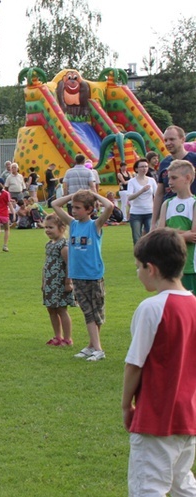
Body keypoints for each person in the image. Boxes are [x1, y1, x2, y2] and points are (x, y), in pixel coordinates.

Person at [123, 229, 196, 496]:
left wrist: (125, 405)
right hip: (187, 416)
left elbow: (134, 364)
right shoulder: (194, 305)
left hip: (156, 416)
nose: (137, 272)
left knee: (148, 487)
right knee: (181, 482)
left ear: (150, 268)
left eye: (138, 267)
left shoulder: (152, 308)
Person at [51, 189, 114, 361]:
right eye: (73, 207)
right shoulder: (73, 224)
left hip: (93, 275)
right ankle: (93, 347)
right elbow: (55, 204)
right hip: (77, 275)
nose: (74, 210)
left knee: (96, 313)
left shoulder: (95, 225)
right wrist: (72, 196)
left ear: (89, 210)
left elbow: (109, 206)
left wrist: (93, 194)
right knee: (88, 312)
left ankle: (96, 348)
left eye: (78, 207)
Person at [156, 159, 196, 293]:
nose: (170, 182)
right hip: (169, 265)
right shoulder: (167, 204)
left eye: (174, 178)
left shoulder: (194, 203)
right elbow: (160, 234)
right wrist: (185, 235)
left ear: (187, 178)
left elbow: (194, 235)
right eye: (168, 178)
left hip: (190, 266)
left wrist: (168, 232)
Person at [42, 214, 75, 347]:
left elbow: (69, 265)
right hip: (50, 282)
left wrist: (68, 282)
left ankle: (67, 338)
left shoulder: (64, 245)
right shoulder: (49, 244)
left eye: (51, 227)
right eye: (46, 227)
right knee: (51, 309)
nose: (48, 230)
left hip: (60, 282)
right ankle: (57, 336)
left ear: (61, 228)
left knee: (61, 309)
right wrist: (43, 281)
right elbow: (46, 264)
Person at [153, 125, 196, 225]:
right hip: (170, 214)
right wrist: (153, 222)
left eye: (172, 139)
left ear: (182, 139)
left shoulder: (194, 159)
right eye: (166, 140)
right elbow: (159, 193)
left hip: (191, 212)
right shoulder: (164, 163)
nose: (168, 143)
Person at [127, 158, 158, 245]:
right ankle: (139, 257)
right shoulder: (132, 182)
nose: (144, 168)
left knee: (151, 236)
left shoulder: (151, 180)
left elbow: (157, 194)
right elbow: (129, 197)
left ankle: (150, 256)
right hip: (136, 213)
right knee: (137, 238)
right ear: (136, 169)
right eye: (142, 167)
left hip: (150, 212)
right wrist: (142, 191)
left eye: (146, 166)